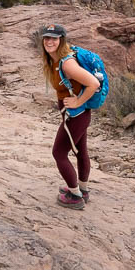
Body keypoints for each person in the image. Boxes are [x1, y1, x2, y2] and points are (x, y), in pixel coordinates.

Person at [39, 24, 100, 210]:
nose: (50, 41)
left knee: (58, 153)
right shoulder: (55, 59)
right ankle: (82, 189)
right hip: (76, 114)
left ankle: (74, 196)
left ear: (61, 40)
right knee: (80, 150)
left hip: (77, 114)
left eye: (54, 38)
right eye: (47, 38)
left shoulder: (67, 63)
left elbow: (93, 83)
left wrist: (78, 102)